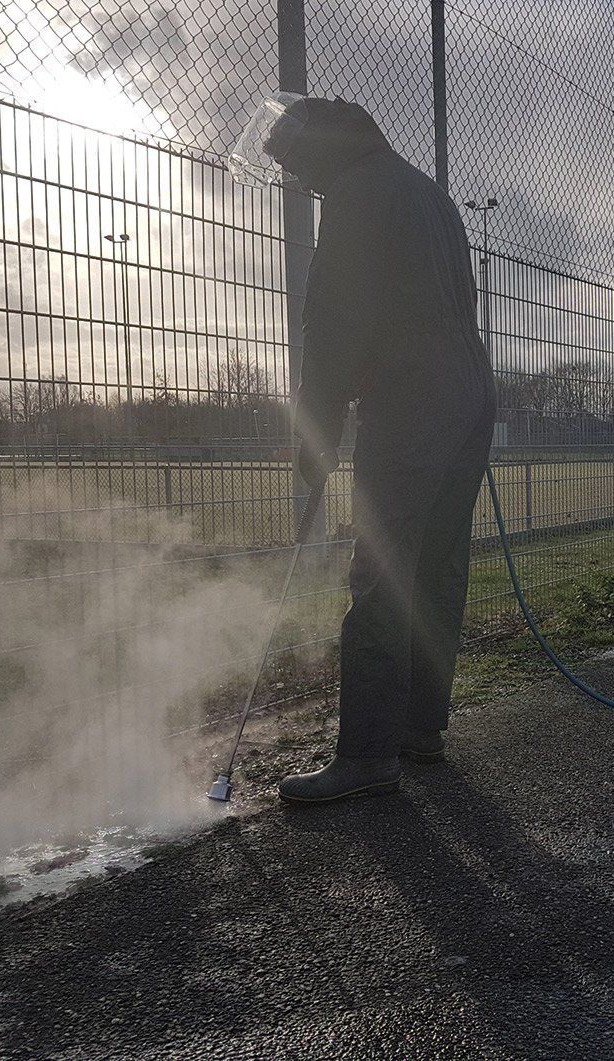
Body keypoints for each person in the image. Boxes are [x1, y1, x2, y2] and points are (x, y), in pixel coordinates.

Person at [263, 98, 496, 803]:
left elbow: (333, 318)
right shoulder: (428, 193)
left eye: (297, 165)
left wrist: (316, 431)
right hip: (470, 390)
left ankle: (366, 755)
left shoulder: (359, 193)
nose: (299, 182)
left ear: (322, 150)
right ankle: (420, 730)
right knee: (436, 566)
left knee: (382, 571)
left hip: (415, 398)